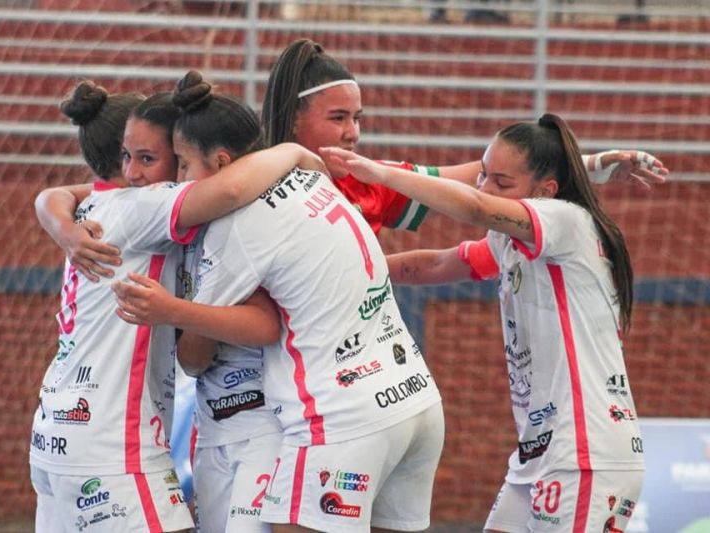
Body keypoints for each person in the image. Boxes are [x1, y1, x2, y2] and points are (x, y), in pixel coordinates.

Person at [112, 71, 445, 532]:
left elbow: (197, 354)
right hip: (415, 400)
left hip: (340, 415)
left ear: (224, 160)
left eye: (183, 164)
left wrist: (168, 311)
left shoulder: (236, 225)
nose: (179, 178)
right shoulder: (314, 178)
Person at [319, 112, 645, 532]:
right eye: (483, 175)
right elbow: (438, 263)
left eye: (501, 184)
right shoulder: (510, 242)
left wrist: (378, 174)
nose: (486, 188)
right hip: (540, 451)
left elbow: (474, 208)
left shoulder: (566, 222)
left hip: (586, 452)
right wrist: (353, 269)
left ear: (545, 191)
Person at [30, 80, 323, 533]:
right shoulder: (144, 206)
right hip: (111, 443)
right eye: (131, 157)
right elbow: (227, 189)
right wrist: (295, 153)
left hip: (58, 431)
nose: (133, 172)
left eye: (147, 159)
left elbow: (54, 195)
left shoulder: (98, 206)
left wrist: (59, 225)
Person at [261, 38, 667, 235]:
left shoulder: (368, 179)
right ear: (293, 120)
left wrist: (590, 166)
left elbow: (481, 176)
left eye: (358, 118)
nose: (353, 133)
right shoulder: (250, 183)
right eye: (338, 118)